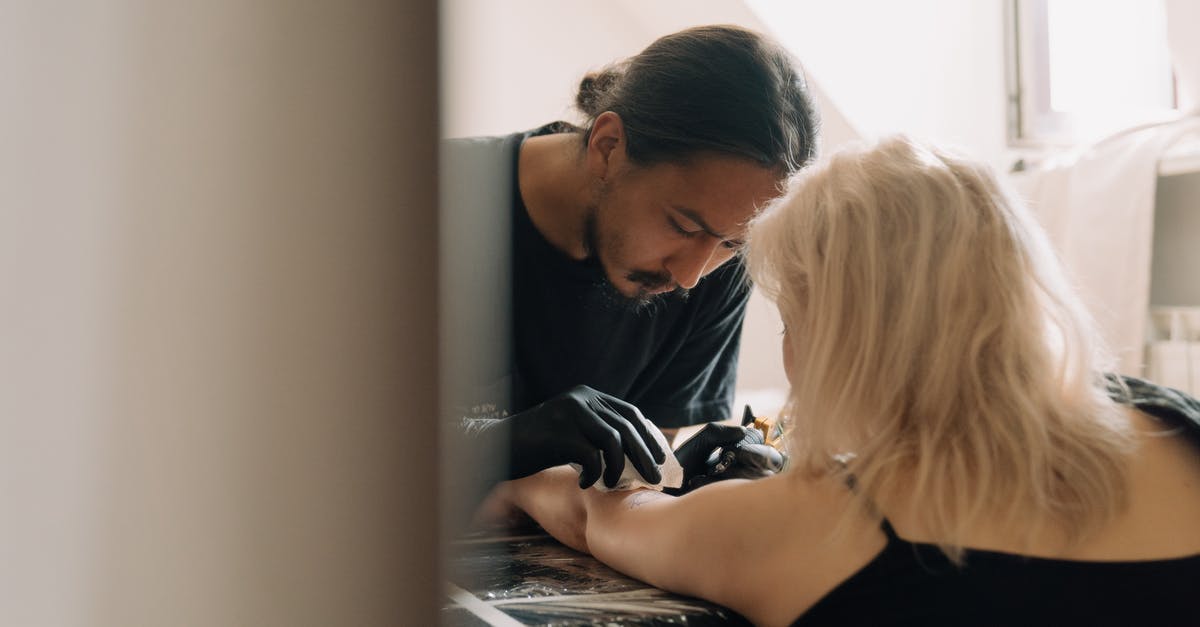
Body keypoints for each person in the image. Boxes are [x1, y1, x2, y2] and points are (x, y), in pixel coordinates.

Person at [494, 136, 1200, 625]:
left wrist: (517, 465)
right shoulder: (1175, 424)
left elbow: (600, 513)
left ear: (840, 335)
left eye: (792, 320)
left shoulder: (813, 526)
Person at [443, 24, 820, 517]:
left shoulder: (717, 267)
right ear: (607, 146)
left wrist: (683, 479)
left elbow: (626, 491)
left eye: (731, 243)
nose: (691, 276)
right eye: (683, 226)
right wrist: (498, 443)